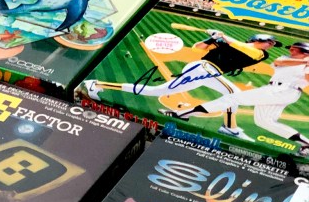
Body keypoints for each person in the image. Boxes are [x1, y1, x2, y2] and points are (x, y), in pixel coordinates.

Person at [83, 32, 279, 133]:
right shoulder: (230, 44)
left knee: (155, 91)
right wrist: (211, 39)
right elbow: (197, 48)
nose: (271, 45)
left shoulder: (260, 53)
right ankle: (229, 127)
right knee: (234, 94)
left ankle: (97, 84)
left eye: (272, 44)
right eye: (269, 42)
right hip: (203, 68)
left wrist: (223, 37)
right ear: (259, 38)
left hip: (210, 72)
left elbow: (245, 48)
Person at [164, 41, 309, 150]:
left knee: (231, 98)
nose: (290, 49)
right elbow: (279, 62)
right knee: (264, 121)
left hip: (285, 90)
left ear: (304, 51)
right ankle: (306, 143)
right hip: (277, 90)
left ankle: (182, 113)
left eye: (294, 48)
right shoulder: (287, 59)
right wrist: (304, 61)